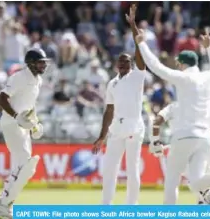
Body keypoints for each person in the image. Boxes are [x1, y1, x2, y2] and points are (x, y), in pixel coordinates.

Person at [134, 5, 210, 204]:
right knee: (196, 183)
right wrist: (209, 48)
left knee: (171, 182)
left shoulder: (183, 78)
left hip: (184, 136)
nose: (177, 65)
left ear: (183, 63)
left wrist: (142, 45)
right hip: (203, 138)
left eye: (178, 62)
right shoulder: (208, 77)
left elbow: (156, 66)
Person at [92, 5, 146, 205]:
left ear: (131, 64)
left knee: (132, 169)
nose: (123, 65)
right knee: (109, 169)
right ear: (116, 65)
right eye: (120, 63)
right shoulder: (112, 83)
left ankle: (131, 207)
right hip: (116, 129)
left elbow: (139, 49)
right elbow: (109, 109)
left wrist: (132, 25)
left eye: (126, 62)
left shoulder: (138, 76)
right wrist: (101, 136)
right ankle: (106, 207)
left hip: (134, 127)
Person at [0, 48, 50, 219]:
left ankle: (3, 204)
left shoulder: (38, 80)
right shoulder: (18, 78)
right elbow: (1, 99)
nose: (44, 65)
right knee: (24, 163)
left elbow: (30, 106)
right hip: (11, 123)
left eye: (45, 62)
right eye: (40, 62)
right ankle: (2, 204)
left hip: (23, 126)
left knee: (25, 168)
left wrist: (35, 124)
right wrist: (16, 116)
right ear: (30, 63)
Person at [151, 102, 210, 205]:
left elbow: (157, 121)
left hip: (181, 148)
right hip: (205, 150)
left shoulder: (174, 106)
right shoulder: (204, 106)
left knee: (175, 184)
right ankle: (209, 194)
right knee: (204, 185)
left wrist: (156, 142)